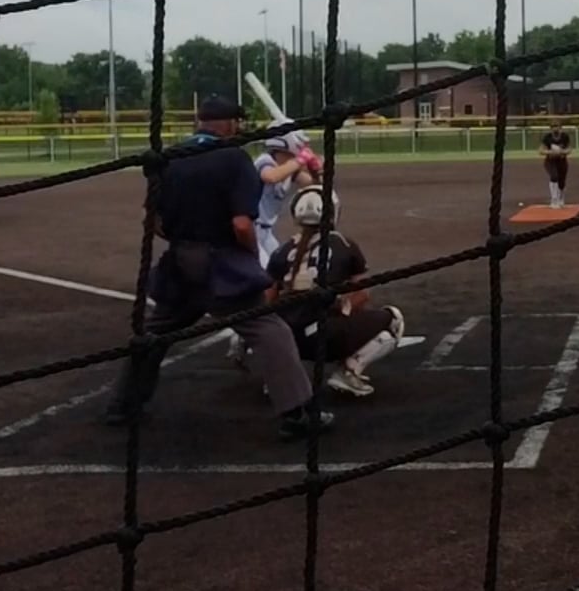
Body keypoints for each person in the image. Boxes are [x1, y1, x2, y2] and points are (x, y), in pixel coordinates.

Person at [102, 96, 326, 440]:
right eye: (236, 122)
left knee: (153, 333)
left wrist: (184, 240)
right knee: (269, 329)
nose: (239, 127)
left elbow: (154, 221)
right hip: (222, 262)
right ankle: (297, 414)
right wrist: (248, 257)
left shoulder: (170, 157)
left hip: (180, 261)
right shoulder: (233, 157)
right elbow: (241, 224)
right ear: (228, 124)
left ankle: (122, 405)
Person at [265, 185, 406, 398]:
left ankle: (279, 377)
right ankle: (349, 372)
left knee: (266, 326)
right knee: (394, 319)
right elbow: (362, 295)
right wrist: (342, 312)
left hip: (287, 340)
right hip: (325, 337)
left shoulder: (281, 251)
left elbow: (266, 302)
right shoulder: (343, 244)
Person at [253, 129, 315, 267]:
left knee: (280, 266)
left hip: (266, 231)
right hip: (252, 229)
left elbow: (313, 183)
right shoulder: (265, 160)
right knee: (266, 270)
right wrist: (299, 160)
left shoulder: (288, 168)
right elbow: (271, 176)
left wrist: (315, 169)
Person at [539, 119, 574, 208]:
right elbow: (541, 150)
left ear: (560, 128)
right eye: (553, 127)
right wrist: (551, 152)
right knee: (554, 176)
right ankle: (554, 199)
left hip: (562, 161)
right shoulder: (547, 137)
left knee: (562, 181)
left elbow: (569, 149)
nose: (555, 129)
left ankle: (561, 198)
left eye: (557, 127)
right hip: (550, 161)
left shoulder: (565, 137)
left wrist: (561, 151)